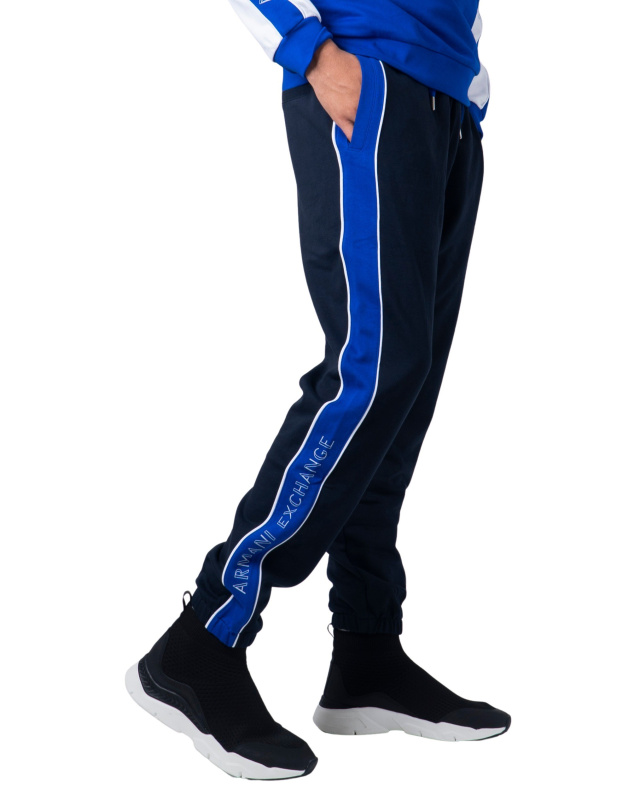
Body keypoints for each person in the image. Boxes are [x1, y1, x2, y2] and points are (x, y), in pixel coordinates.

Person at [125, 0, 510, 780]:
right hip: (368, 76)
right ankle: (204, 637)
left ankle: (367, 649)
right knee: (372, 368)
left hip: (446, 102)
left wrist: (469, 84)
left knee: (407, 386)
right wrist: (311, 51)